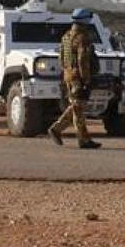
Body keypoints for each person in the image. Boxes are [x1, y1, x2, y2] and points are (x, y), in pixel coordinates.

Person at [48, 8, 102, 149]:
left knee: (77, 107)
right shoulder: (82, 37)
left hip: (69, 75)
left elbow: (61, 58)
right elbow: (82, 60)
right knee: (78, 107)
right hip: (78, 77)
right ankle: (59, 130)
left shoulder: (66, 36)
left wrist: (67, 72)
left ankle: (82, 138)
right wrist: (86, 79)